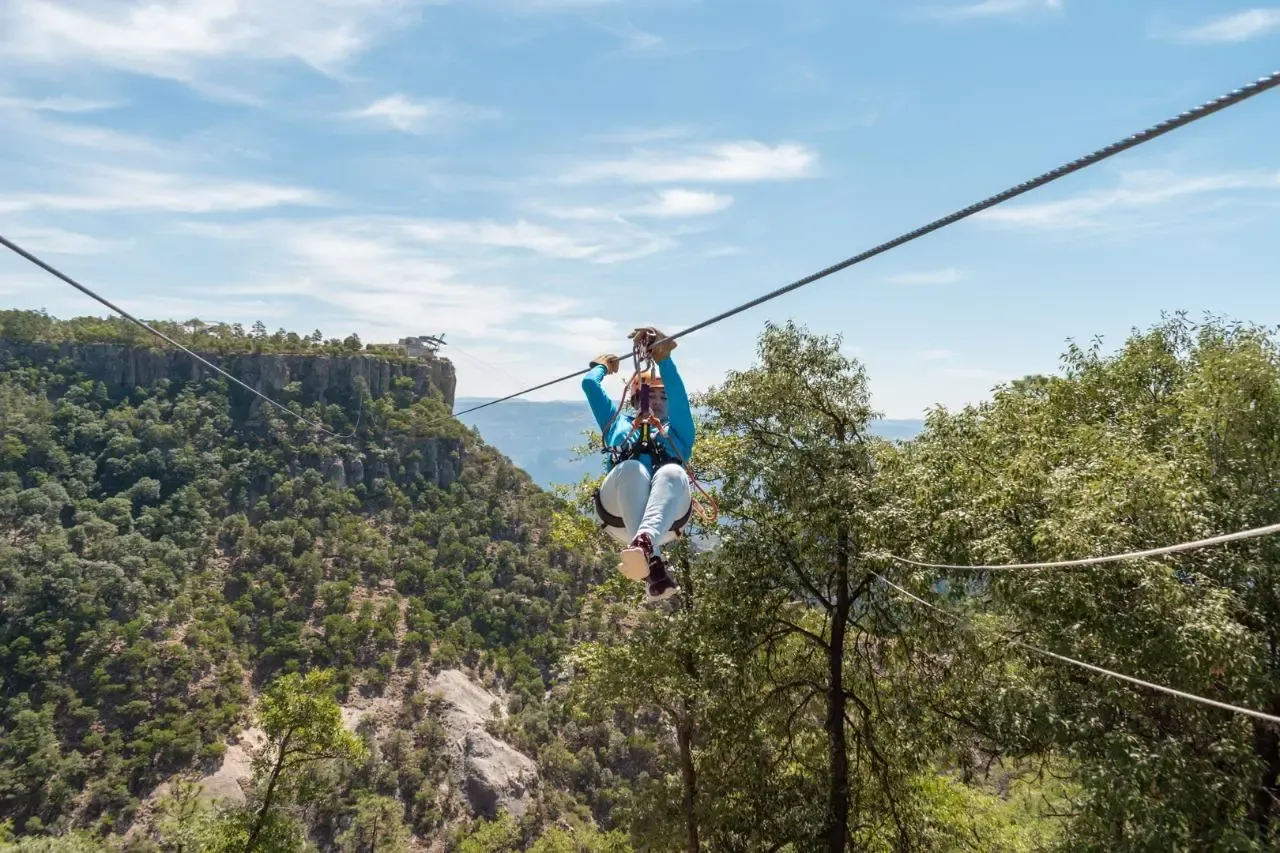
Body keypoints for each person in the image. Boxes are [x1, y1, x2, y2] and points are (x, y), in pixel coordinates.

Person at [581, 326, 694, 603]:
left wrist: (664, 359)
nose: (656, 401)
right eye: (650, 395)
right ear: (635, 399)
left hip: (667, 521)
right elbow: (589, 386)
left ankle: (646, 550)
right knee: (633, 469)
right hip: (618, 513)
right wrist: (601, 367)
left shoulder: (679, 431)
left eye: (662, 397)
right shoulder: (617, 424)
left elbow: (680, 398)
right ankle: (649, 554)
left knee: (672, 471)